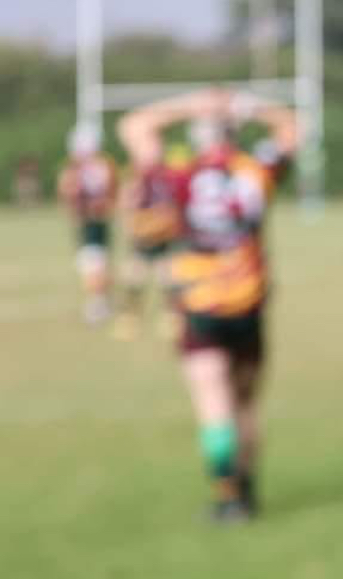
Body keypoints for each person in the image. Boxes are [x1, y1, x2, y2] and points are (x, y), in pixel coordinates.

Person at [118, 89, 296, 520]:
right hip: (249, 301)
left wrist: (190, 103)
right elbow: (292, 130)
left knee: (213, 402)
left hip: (200, 304)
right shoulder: (256, 170)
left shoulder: (181, 174)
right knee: (246, 404)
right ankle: (248, 490)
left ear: (199, 134)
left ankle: (228, 496)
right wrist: (250, 105)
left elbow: (134, 126)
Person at [118, 142, 190, 340]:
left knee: (169, 277)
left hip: (164, 234)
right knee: (134, 276)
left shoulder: (167, 177)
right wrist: (132, 223)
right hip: (143, 234)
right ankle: (129, 318)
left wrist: (171, 221)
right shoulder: (134, 178)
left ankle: (172, 317)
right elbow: (127, 203)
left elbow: (176, 202)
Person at [57, 124, 118, 326]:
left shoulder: (82, 167)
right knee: (97, 260)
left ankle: (98, 304)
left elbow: (68, 191)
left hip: (91, 220)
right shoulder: (103, 164)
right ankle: (101, 300)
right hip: (96, 219)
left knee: (92, 262)